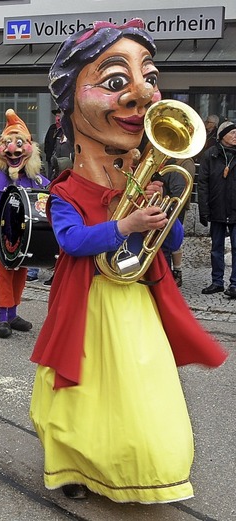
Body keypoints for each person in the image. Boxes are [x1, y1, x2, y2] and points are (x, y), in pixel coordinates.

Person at [29, 20, 228, 503]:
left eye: (149, 78)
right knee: (83, 393)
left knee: (143, 393)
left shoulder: (140, 181)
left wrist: (162, 214)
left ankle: (146, 470)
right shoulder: (65, 192)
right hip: (90, 302)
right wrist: (124, 225)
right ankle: (73, 467)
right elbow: (72, 242)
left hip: (137, 304)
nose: (141, 94)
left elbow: (174, 236)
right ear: (70, 104)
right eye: (116, 82)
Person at [0, 108, 48, 338]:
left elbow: (46, 202)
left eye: (19, 143)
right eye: (8, 143)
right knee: (4, 274)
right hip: (2, 233)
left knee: (21, 273)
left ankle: (13, 313)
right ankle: (3, 318)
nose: (13, 150)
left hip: (27, 236)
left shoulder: (35, 179)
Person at [197, 120, 236, 298]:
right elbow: (203, 184)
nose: (235, 135)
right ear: (222, 136)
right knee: (216, 248)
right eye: (232, 132)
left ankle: (235, 284)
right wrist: (204, 211)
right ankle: (217, 282)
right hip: (217, 207)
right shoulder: (209, 155)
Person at [159, 156, 195, 287]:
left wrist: (167, 209)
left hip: (171, 210)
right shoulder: (169, 165)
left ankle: (169, 277)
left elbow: (178, 192)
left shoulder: (182, 164)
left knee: (168, 245)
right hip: (164, 209)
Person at [43, 108, 74, 180]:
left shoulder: (66, 130)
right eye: (57, 116)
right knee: (50, 177)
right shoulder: (52, 128)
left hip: (61, 160)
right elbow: (47, 142)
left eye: (59, 116)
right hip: (50, 159)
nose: (58, 118)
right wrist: (48, 154)